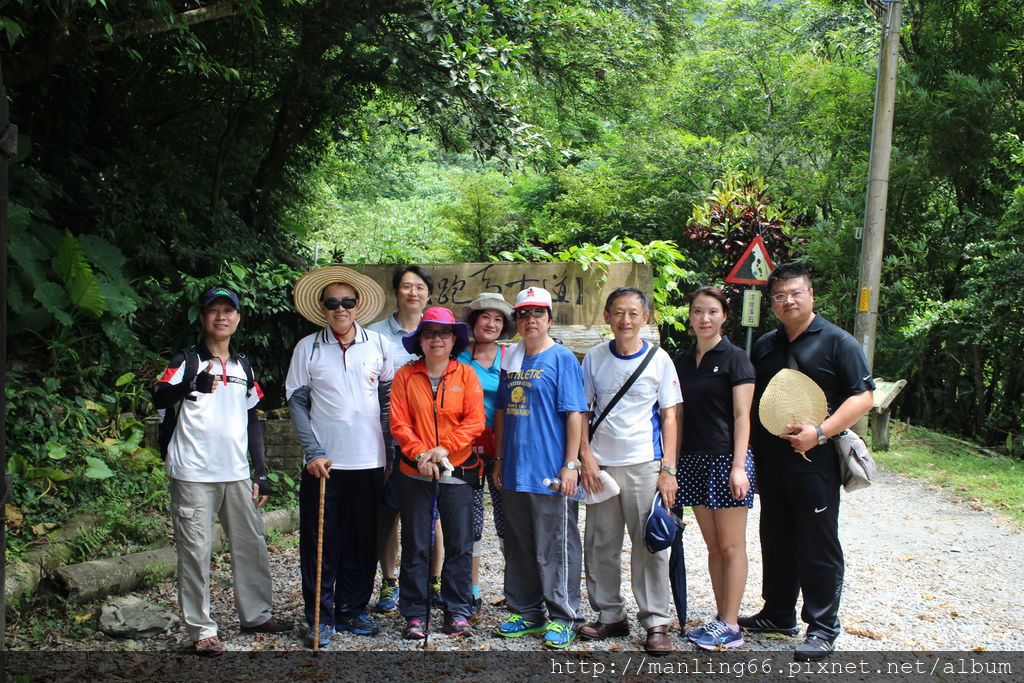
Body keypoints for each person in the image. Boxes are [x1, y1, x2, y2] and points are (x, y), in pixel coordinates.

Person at [739, 263, 874, 661]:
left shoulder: (837, 342)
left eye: (795, 293)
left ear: (811, 295)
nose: (788, 301)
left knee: (817, 543)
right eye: (779, 296)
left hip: (816, 461)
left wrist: (821, 431)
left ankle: (823, 626)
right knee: (776, 537)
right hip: (772, 462)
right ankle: (778, 613)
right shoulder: (765, 345)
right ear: (772, 302)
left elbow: (863, 397)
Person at [153, 286, 291, 657]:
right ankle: (201, 630)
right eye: (213, 311)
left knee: (251, 545)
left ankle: (257, 614)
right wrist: (189, 385)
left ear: (238, 318)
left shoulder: (243, 365)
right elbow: (158, 395)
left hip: (236, 472)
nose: (221, 317)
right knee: (196, 550)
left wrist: (259, 473)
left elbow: (253, 418)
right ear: (203, 318)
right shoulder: (187, 360)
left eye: (228, 311)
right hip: (193, 472)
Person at [285, 265, 394, 648]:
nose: (340, 308)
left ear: (358, 304)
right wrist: (312, 451)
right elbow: (297, 403)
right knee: (321, 542)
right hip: (324, 464)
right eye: (332, 303)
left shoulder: (378, 345)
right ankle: (319, 615)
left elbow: (387, 401)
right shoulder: (307, 347)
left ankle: (352, 609)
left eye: (347, 301)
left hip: (370, 461)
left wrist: (391, 451)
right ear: (322, 307)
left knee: (362, 540)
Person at [577, 287, 682, 655]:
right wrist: (585, 456)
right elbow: (582, 413)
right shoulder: (593, 358)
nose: (625, 320)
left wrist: (668, 468)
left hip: (644, 463)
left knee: (649, 543)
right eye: (618, 313)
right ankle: (610, 614)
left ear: (645, 318)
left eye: (633, 314)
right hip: (601, 465)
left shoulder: (659, 360)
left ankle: (655, 621)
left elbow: (670, 416)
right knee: (600, 543)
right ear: (607, 316)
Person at [492, 287, 588, 650]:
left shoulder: (562, 358)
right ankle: (527, 610)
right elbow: (501, 412)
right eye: (523, 313)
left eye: (538, 313)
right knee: (519, 543)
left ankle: (565, 616)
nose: (530, 319)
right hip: (515, 469)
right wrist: (499, 459)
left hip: (550, 471)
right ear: (516, 320)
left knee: (557, 544)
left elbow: (575, 413)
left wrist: (571, 464)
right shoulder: (512, 358)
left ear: (549, 318)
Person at [390, 306, 486, 639]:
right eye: (429, 333)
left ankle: (457, 611)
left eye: (444, 333)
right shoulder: (405, 375)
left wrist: (442, 449)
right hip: (415, 471)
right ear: (420, 339)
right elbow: (399, 423)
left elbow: (475, 421)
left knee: (459, 543)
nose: (436, 339)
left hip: (456, 470)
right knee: (416, 543)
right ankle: (415, 614)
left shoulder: (466, 375)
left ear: (453, 339)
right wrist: (420, 454)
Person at [672, 286, 756, 650]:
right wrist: (670, 466)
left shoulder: (737, 358)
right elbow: (675, 415)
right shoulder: (681, 360)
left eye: (712, 312)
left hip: (726, 460)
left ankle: (732, 624)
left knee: (731, 545)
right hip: (692, 459)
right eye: (697, 312)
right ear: (690, 317)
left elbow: (742, 416)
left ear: (724, 316)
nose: (704, 319)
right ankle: (722, 617)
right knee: (712, 546)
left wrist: (739, 466)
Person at [368, 265, 434, 613]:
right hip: (385, 434)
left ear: (428, 293)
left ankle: (431, 582)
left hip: (433, 437)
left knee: (431, 513)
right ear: (396, 292)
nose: (413, 293)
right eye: (406, 287)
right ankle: (389, 582)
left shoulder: (439, 330)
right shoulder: (375, 334)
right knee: (389, 512)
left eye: (419, 287)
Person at [456, 293, 514, 621]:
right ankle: (472, 591)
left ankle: (514, 589)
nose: (490, 324)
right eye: (484, 318)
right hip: (466, 447)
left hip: (505, 447)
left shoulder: (511, 357)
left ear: (504, 325)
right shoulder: (459, 358)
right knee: (470, 521)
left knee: (508, 519)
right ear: (473, 322)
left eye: (497, 319)